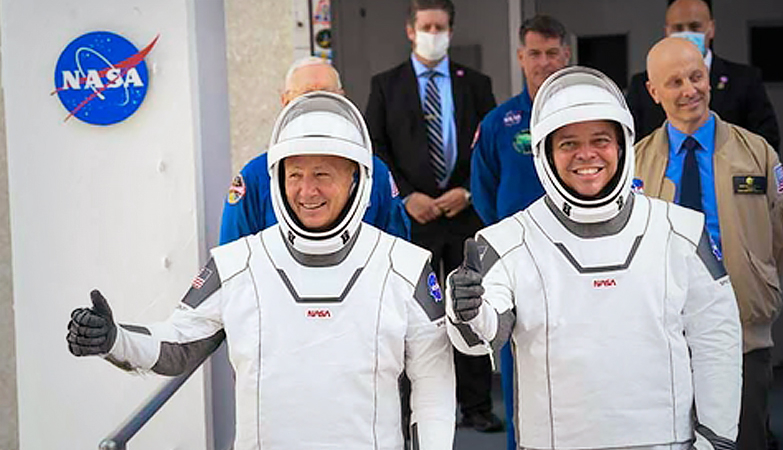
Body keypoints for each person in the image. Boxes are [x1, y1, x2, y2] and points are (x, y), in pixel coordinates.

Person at [66, 92, 456, 450]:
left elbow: (434, 381)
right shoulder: (237, 264)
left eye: (323, 174)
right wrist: (114, 339)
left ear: (356, 178)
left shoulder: (406, 266)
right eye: (295, 175)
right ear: (276, 178)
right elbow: (177, 345)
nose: (307, 191)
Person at [447, 66, 742, 450]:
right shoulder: (508, 240)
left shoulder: (680, 231)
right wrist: (468, 310)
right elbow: (481, 335)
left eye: (601, 139)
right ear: (545, 153)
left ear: (622, 144)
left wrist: (717, 439)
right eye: (568, 143)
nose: (586, 154)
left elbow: (717, 340)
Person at [634, 37, 783, 450]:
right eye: (675, 82)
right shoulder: (636, 162)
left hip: (744, 337)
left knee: (745, 440)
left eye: (697, 77)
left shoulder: (755, 152)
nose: (690, 90)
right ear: (654, 92)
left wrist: (764, 304)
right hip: (664, 343)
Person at [365, 0, 501, 433]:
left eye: (440, 26)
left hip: (463, 214)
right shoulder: (386, 85)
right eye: (426, 26)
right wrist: (405, 197)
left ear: (451, 31)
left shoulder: (475, 84)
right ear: (411, 30)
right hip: (414, 219)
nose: (433, 33)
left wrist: (467, 190)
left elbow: (488, 146)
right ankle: (409, 411)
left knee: (468, 305)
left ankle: (477, 406)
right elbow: (376, 149)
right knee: (415, 315)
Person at [469, 15, 570, 447]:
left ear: (566, 54)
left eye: (552, 53)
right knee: (518, 368)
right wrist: (513, 245)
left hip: (578, 261)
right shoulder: (499, 123)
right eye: (534, 54)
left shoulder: (585, 117)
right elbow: (483, 194)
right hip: (520, 267)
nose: (543, 62)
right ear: (520, 57)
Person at [219, 56, 410, 245]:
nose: (318, 105)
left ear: (342, 98)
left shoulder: (373, 171)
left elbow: (398, 248)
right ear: (285, 101)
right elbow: (232, 257)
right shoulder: (255, 176)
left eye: (328, 94)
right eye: (307, 94)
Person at [626, 0, 780, 152]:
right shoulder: (641, 85)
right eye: (678, 28)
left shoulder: (745, 79)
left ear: (711, 28)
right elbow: (630, 143)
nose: (686, 34)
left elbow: (766, 141)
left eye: (694, 27)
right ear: (667, 31)